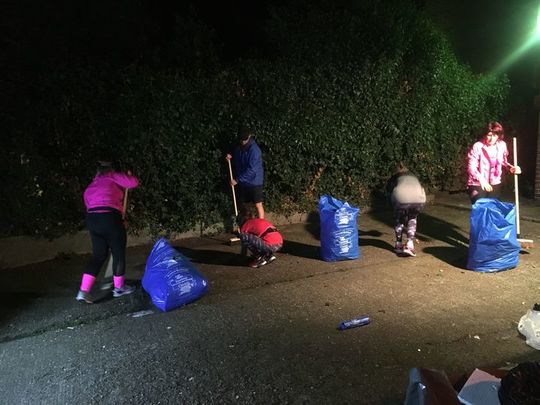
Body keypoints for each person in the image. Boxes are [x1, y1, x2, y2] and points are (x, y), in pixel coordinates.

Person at [76, 160, 139, 303]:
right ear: (110, 169)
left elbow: (90, 205)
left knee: (98, 255)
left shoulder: (91, 186)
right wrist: (127, 176)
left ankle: (83, 291)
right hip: (109, 218)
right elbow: (133, 182)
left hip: (93, 220)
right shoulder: (112, 176)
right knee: (118, 253)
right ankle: (119, 288)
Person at [467, 121, 521, 204]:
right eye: (489, 135)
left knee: (492, 209)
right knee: (480, 208)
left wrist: (511, 168)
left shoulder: (502, 145)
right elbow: (471, 166)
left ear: (499, 136)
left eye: (495, 135)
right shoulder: (478, 146)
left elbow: (503, 161)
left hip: (495, 182)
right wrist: (481, 179)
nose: (492, 138)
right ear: (485, 134)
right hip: (477, 183)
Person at [386, 164, 426, 257]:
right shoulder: (413, 176)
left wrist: (391, 207)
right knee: (412, 218)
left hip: (401, 197)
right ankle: (410, 244)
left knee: (399, 219)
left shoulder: (394, 178)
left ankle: (398, 244)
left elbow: (389, 193)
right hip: (419, 198)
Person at [225, 125, 265, 221]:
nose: (243, 141)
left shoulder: (255, 150)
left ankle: (261, 227)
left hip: (255, 181)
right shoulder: (239, 147)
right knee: (243, 206)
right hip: (243, 182)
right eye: (241, 139)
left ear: (249, 136)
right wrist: (230, 157)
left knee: (258, 204)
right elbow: (237, 159)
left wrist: (237, 180)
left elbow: (252, 170)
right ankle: (245, 226)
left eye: (244, 139)